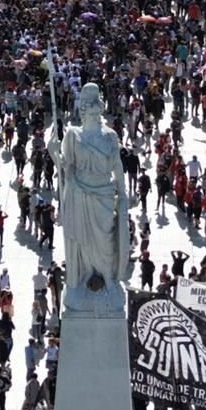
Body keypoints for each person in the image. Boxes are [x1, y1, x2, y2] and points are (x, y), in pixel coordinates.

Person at [46, 83, 130, 311]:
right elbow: (66, 166)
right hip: (79, 194)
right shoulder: (73, 135)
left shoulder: (110, 136)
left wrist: (123, 195)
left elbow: (118, 167)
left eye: (93, 107)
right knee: (81, 244)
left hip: (104, 194)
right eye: (86, 107)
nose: (89, 112)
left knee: (106, 242)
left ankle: (109, 280)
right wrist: (54, 152)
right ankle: (82, 280)